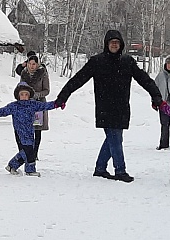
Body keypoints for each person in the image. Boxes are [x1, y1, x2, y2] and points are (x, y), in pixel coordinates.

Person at [56, 29, 163, 182]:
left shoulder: (128, 62)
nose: (114, 45)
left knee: (113, 138)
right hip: (105, 107)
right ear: (106, 44)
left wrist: (156, 96)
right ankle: (120, 170)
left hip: (121, 107)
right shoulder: (97, 61)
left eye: (117, 42)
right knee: (115, 137)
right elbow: (78, 79)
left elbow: (144, 79)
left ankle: (100, 168)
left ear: (121, 45)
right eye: (112, 42)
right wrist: (63, 96)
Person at [0, 82, 57, 176]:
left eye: (26, 94)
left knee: (26, 151)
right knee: (29, 151)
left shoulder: (33, 104)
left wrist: (56, 104)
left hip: (30, 131)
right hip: (19, 132)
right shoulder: (14, 106)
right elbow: (3, 111)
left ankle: (11, 166)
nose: (24, 96)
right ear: (18, 95)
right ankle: (30, 170)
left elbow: (45, 105)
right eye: (22, 94)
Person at [14, 52, 52, 155]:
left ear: (37, 64)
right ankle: (25, 152)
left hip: (38, 106)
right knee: (25, 129)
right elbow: (20, 87)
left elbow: (47, 90)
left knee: (37, 129)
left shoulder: (42, 74)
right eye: (30, 64)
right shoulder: (24, 74)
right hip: (25, 105)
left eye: (34, 64)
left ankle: (35, 153)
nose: (31, 66)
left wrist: (36, 95)